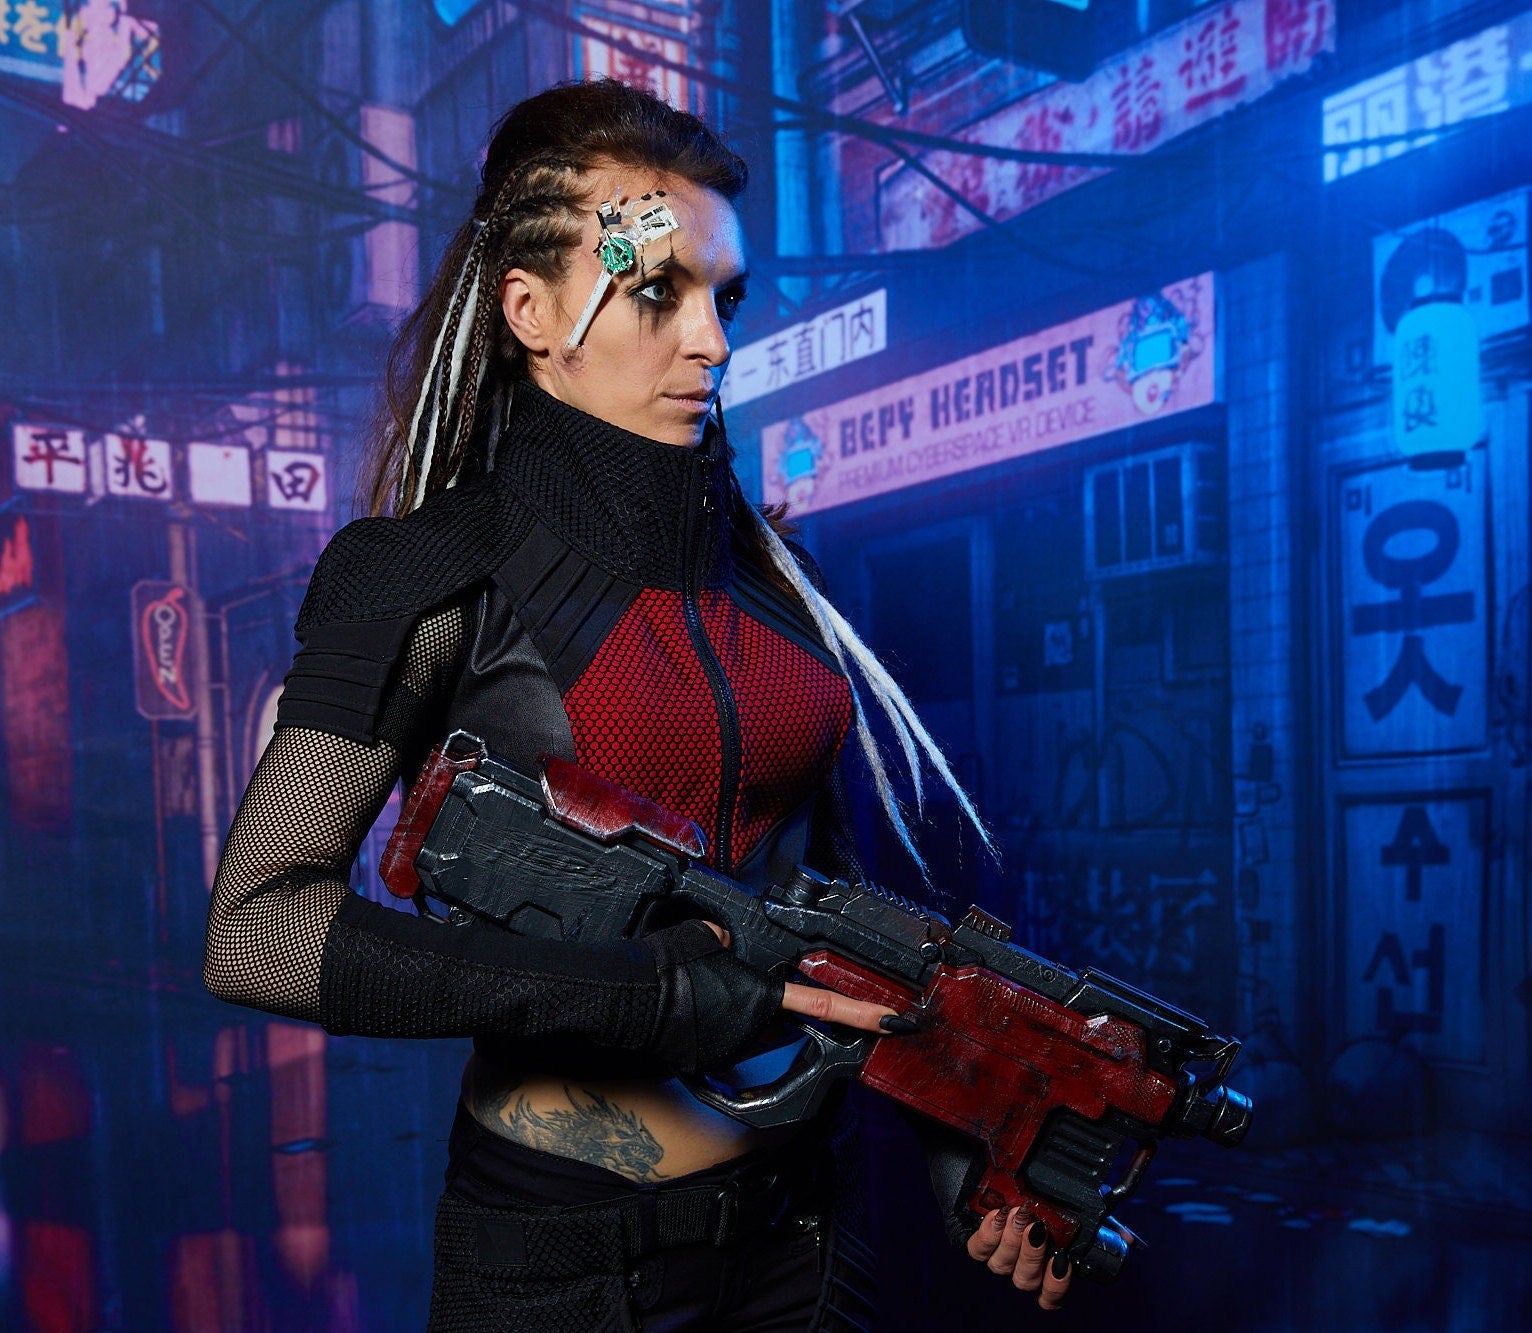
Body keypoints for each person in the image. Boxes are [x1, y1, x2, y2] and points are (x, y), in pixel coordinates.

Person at [204, 78, 1070, 1329]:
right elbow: (258, 930)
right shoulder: (426, 574)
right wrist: (642, 995)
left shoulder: (784, 587)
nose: (710, 340)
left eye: (726, 297)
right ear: (529, 310)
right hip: (563, 1270)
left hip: (807, 1246)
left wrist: (969, 1139)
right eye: (656, 291)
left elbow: (832, 925)